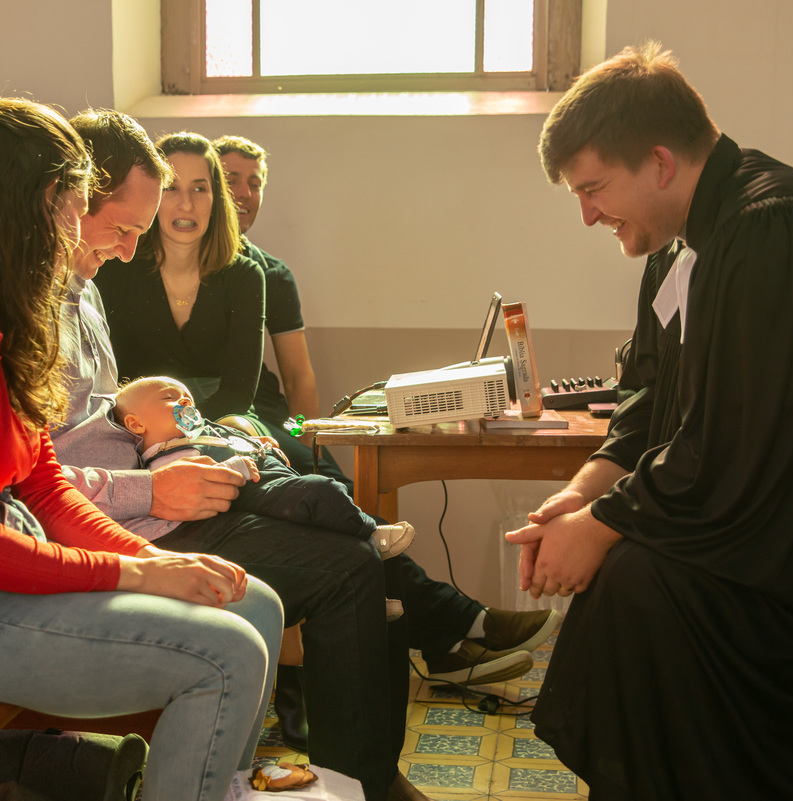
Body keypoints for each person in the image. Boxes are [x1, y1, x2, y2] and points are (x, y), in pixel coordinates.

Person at [55, 109, 558, 801]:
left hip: (202, 439)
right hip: (151, 477)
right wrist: (153, 456)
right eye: (169, 193)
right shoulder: (86, 282)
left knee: (318, 493)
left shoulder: (144, 281)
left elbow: (242, 387)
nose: (184, 205)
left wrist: (189, 433)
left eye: (208, 188)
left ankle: (369, 766)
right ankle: (395, 719)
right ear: (74, 198)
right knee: (354, 561)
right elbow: (45, 463)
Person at [0, 98, 282, 801]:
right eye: (71, 206)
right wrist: (140, 578)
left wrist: (158, 558)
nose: (76, 230)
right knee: (221, 653)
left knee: (253, 605)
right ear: (23, 207)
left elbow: (43, 485)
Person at [506, 43, 793, 800]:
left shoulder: (773, 230)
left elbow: (739, 444)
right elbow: (648, 405)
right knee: (627, 578)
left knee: (629, 579)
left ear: (660, 162)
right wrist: (582, 494)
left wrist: (600, 527)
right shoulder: (676, 249)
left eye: (594, 188)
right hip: (748, 523)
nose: (589, 213)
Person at [213, 134, 559, 714]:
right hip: (226, 428)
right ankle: (452, 631)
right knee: (335, 514)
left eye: (255, 183)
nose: (244, 193)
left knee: (338, 493)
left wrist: (308, 440)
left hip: (278, 424)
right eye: (229, 180)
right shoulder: (153, 267)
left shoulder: (270, 272)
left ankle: (447, 635)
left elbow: (298, 379)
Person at [113, 375, 416, 563]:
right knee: (320, 491)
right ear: (136, 423)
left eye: (188, 398)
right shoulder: (165, 460)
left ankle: (381, 590)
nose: (184, 401)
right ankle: (370, 532)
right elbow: (199, 480)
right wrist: (237, 464)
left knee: (319, 507)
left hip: (270, 473)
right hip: (257, 491)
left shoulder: (201, 432)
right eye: (169, 398)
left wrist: (252, 440)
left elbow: (227, 438)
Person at [92, 132, 264, 421]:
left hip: (226, 419)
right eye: (171, 188)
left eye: (199, 189)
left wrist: (185, 428)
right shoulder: (114, 268)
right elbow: (107, 381)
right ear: (152, 197)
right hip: (138, 422)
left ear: (216, 198)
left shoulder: (245, 276)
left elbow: (238, 394)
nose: (186, 204)